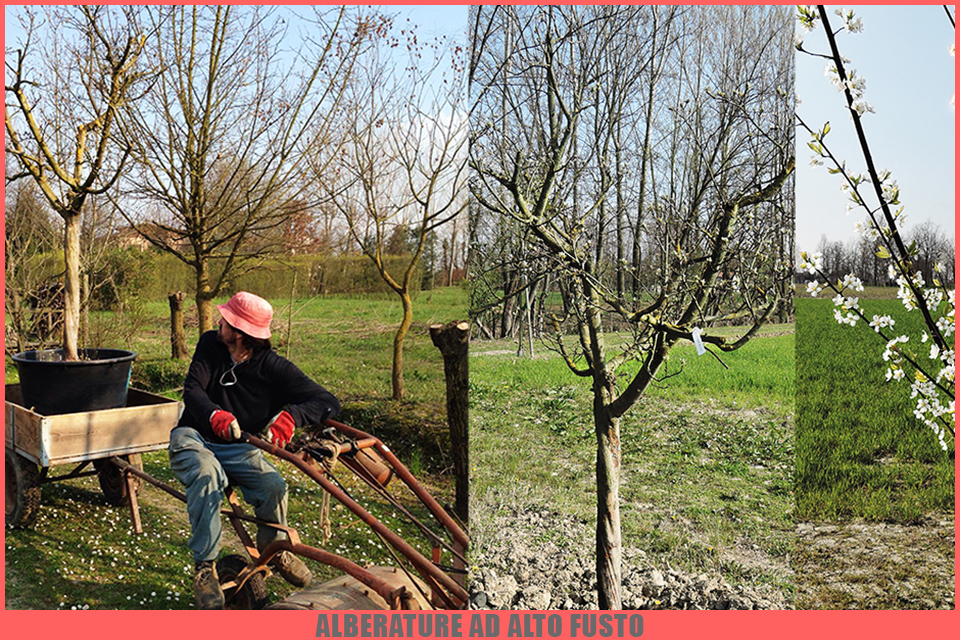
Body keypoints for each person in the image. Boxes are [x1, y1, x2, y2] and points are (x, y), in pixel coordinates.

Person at [168, 291, 341, 609]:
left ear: (240, 332)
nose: (220, 321)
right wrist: (213, 414)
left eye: (227, 319)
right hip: (193, 436)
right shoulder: (211, 344)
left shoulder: (273, 368)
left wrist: (293, 417)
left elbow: (328, 401)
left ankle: (276, 551)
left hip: (238, 446)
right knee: (208, 476)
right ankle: (205, 568)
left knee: (273, 485)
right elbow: (192, 389)